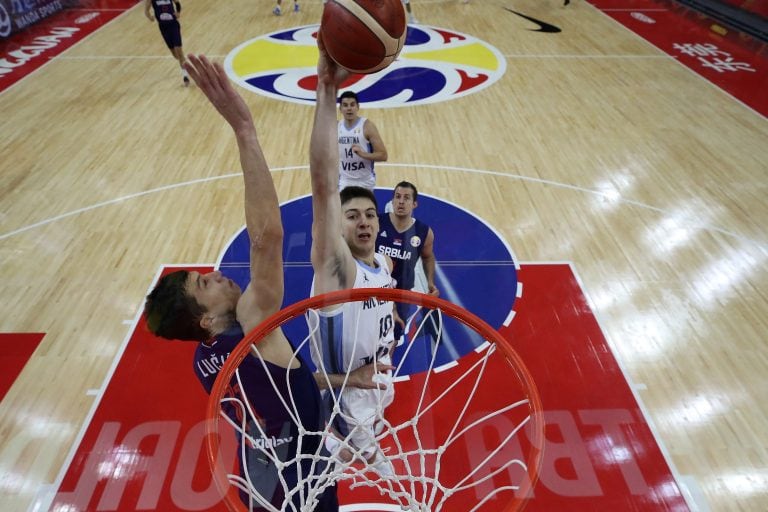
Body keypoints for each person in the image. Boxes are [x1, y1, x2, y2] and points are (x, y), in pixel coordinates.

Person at [143, 55, 337, 511]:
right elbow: (267, 239)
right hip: (300, 493)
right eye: (203, 284)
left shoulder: (203, 360)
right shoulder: (252, 326)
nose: (214, 273)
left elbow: (282, 392)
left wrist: (342, 379)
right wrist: (244, 129)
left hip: (261, 487)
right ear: (207, 317)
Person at [308, 42, 399, 473]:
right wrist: (326, 92)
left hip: (377, 387)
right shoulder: (338, 271)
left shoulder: (383, 263)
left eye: (369, 215)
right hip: (340, 403)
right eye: (351, 217)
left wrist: (391, 312)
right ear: (338, 227)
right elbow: (325, 188)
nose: (363, 222)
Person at [375, 181, 439, 342]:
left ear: (414, 204)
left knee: (394, 335)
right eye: (397, 197)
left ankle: (387, 363)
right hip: (374, 288)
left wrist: (430, 282)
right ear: (392, 201)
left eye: (406, 198)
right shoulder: (376, 223)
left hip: (402, 293)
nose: (401, 201)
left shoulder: (424, 232)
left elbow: (428, 256)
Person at [337, 90, 388, 191]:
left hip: (365, 180)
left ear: (358, 107)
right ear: (340, 109)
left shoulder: (367, 126)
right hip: (345, 180)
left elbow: (383, 155)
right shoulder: (336, 127)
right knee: (343, 207)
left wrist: (363, 154)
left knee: (366, 207)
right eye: (345, 105)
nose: (349, 108)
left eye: (352, 105)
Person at [144, 0, 190, 86]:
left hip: (173, 25)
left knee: (178, 50)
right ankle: (184, 62)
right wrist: (150, 17)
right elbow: (146, 11)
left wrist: (178, 12)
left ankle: (185, 76)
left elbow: (177, 3)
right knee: (176, 55)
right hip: (163, 28)